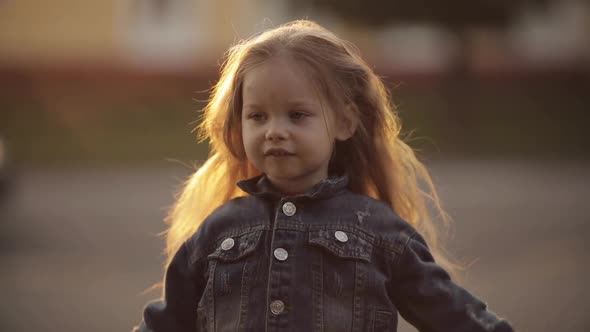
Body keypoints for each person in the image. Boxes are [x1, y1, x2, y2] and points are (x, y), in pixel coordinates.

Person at [133, 20, 514, 332]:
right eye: (258, 116)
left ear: (345, 122)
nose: (274, 131)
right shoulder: (217, 233)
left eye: (296, 115)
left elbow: (454, 316)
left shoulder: (380, 233)